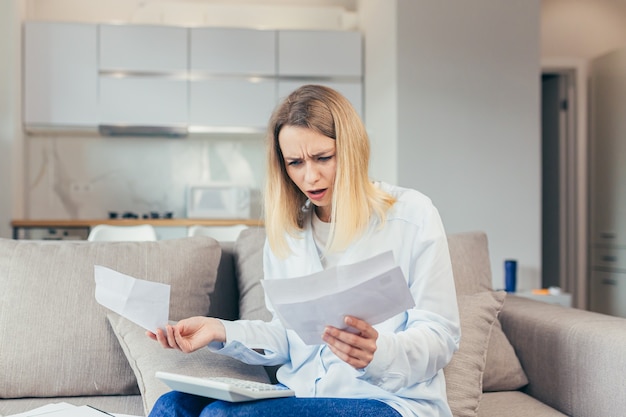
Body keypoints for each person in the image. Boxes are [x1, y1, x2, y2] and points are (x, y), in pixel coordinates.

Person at [147, 85, 460, 417]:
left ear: (351, 149)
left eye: (323, 158)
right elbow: (288, 336)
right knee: (172, 405)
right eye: (295, 163)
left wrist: (379, 352)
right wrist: (222, 330)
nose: (310, 176)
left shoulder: (411, 215)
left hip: (387, 401)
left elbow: (440, 336)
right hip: (302, 395)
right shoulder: (290, 231)